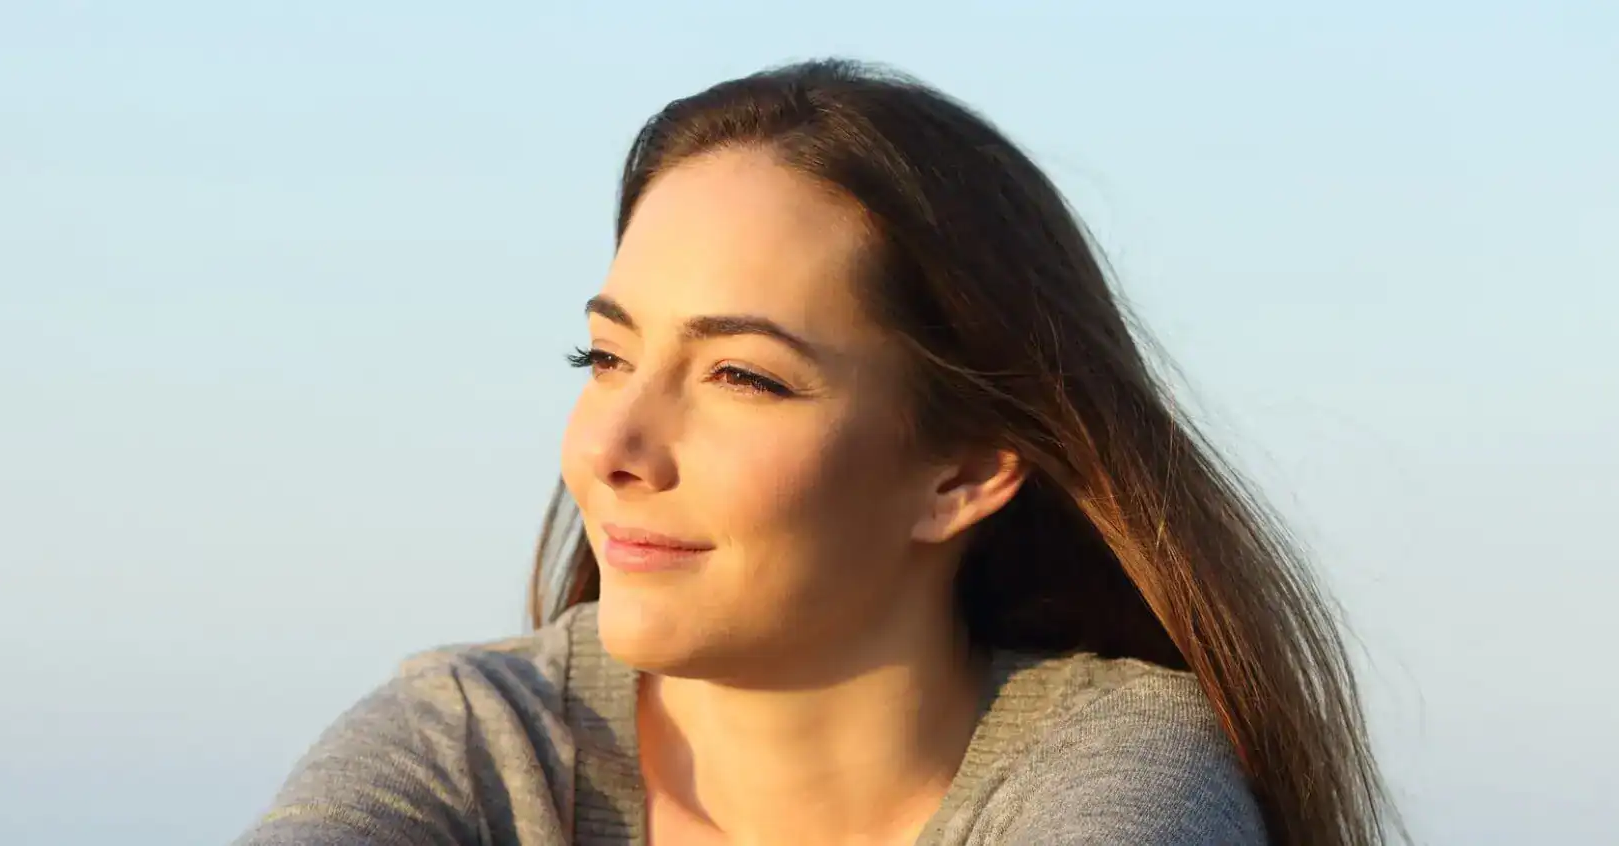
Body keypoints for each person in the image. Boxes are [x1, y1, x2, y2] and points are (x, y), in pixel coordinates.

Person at [236, 59, 1396, 846]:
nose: (616, 449)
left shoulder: (1116, 777)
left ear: (964, 473)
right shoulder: (483, 743)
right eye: (605, 359)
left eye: (739, 375)